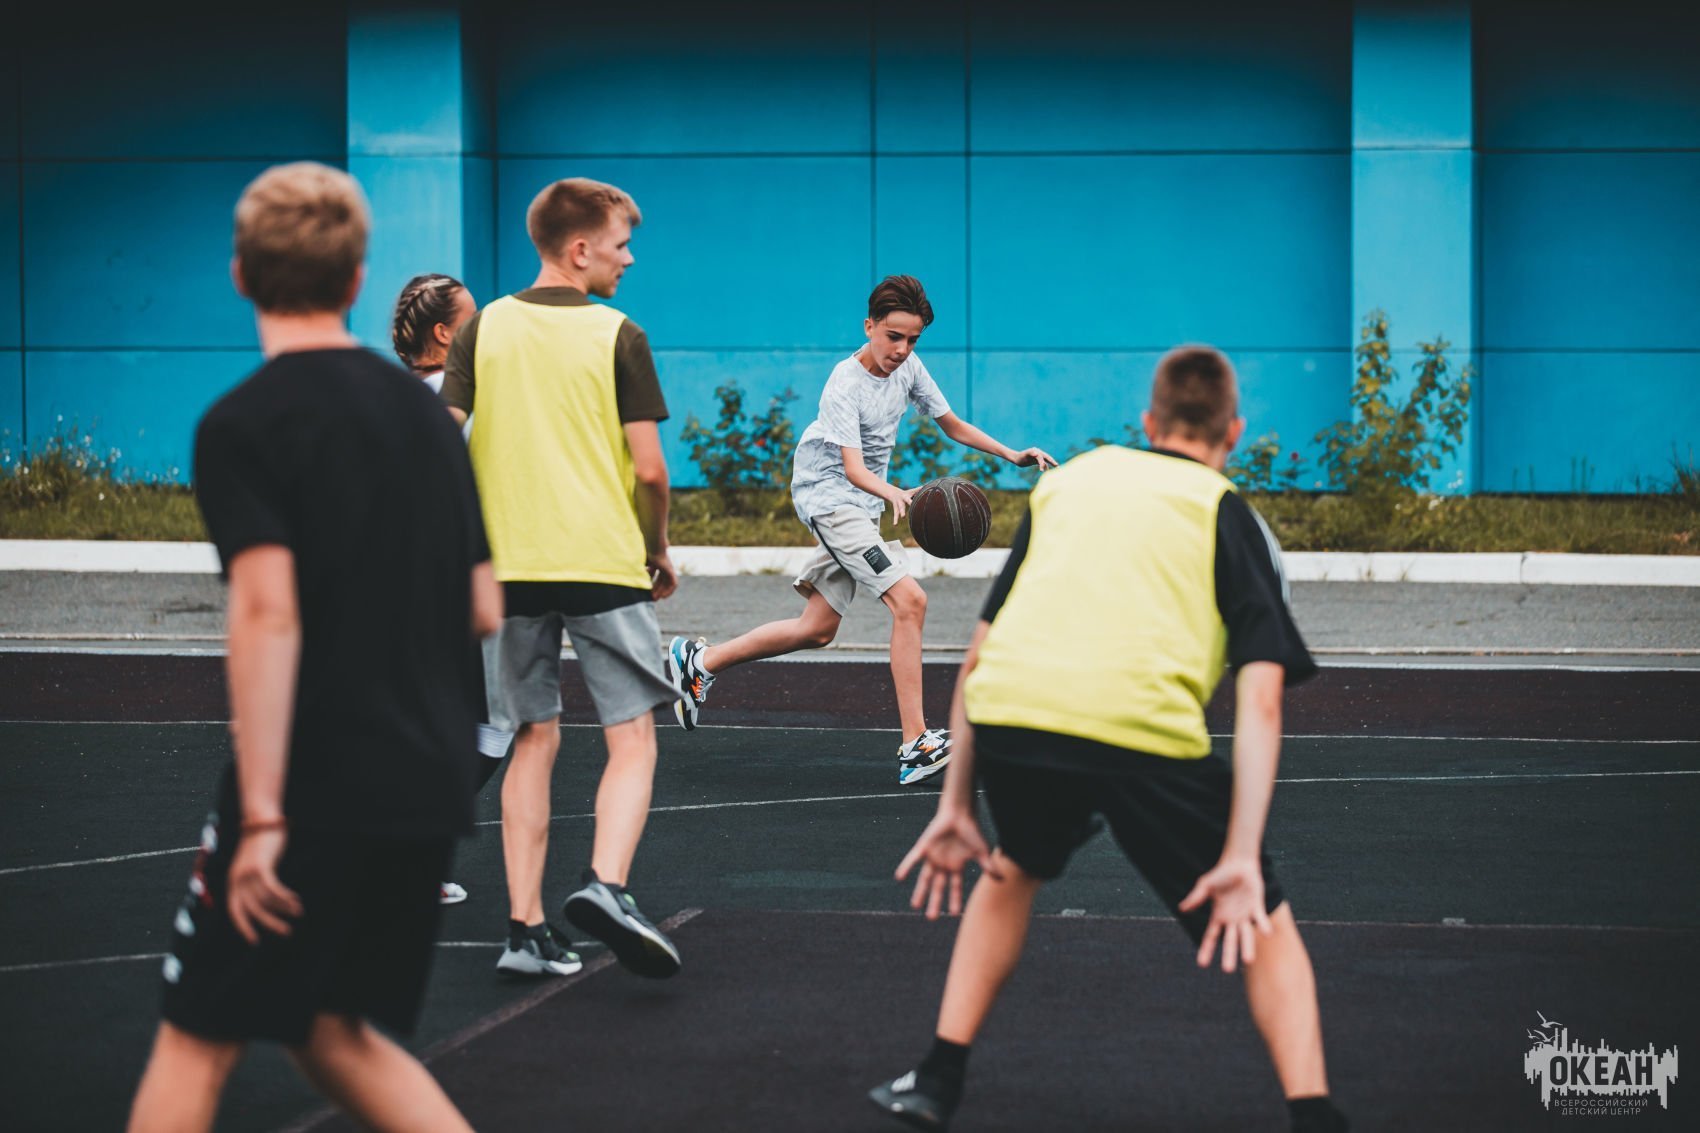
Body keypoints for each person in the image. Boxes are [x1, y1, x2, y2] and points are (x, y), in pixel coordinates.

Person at [868, 346, 1349, 1132]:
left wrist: (955, 804)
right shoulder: (1226, 512)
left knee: (1011, 869)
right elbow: (1260, 698)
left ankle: (936, 1078)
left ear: (1148, 422)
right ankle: (1314, 1111)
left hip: (1019, 715)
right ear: (1234, 431)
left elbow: (980, 651)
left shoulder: (1068, 483)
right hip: (1141, 731)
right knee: (1265, 919)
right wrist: (1239, 853)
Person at [126, 163, 492, 1133]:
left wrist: (261, 815)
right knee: (334, 1034)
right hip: (427, 775)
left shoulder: (242, 423)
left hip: (315, 775)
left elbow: (267, 614)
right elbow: (482, 604)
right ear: (357, 277)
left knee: (196, 1035)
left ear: (241, 274)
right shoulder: (430, 419)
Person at [665, 275, 1056, 785]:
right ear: (869, 326)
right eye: (893, 336)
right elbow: (852, 469)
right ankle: (916, 743)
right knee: (910, 601)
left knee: (817, 629)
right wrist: (892, 492)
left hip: (861, 504)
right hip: (831, 500)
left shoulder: (908, 367)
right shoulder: (844, 384)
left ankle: (701, 661)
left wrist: (1011, 454)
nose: (902, 349)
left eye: (912, 339)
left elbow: (951, 423)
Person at [441, 177, 684, 979]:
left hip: (507, 566)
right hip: (601, 561)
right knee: (633, 734)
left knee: (532, 735)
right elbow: (650, 470)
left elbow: (437, 441)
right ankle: (607, 883)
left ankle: (525, 930)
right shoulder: (619, 334)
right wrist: (657, 547)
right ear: (580, 250)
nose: (630, 258)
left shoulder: (483, 328)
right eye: (621, 244)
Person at [391, 271, 515, 905]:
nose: (485, 323)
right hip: (462, 581)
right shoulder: (460, 401)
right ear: (445, 333)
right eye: (473, 315)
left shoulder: (396, 397)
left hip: (407, 582)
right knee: (496, 725)